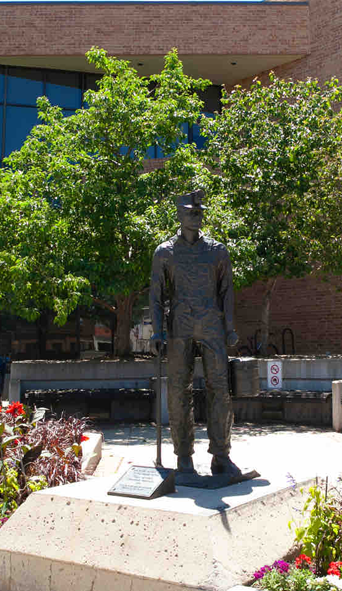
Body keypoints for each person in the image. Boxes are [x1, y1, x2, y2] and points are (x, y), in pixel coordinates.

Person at [149, 190, 241, 476]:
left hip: (212, 323)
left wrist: (230, 327)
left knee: (220, 390)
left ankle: (221, 454)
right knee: (178, 391)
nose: (195, 216)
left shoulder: (217, 251)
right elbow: (156, 295)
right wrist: (157, 332)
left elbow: (227, 293)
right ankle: (184, 455)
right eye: (189, 212)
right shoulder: (164, 252)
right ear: (178, 214)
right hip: (180, 325)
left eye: (199, 212)